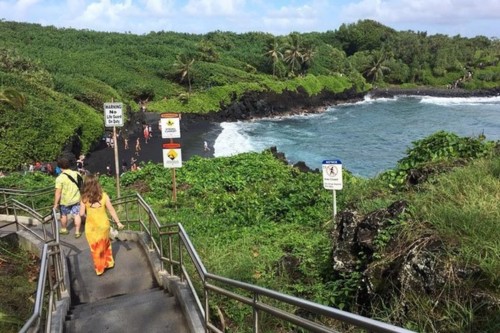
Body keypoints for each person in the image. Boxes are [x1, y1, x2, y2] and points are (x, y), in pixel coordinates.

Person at [79, 174, 124, 276]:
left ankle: (100, 268)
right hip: (104, 224)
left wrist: (88, 217)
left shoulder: (84, 198)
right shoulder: (104, 196)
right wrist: (118, 222)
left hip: (91, 227)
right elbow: (111, 210)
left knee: (95, 247)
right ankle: (108, 263)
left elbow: (81, 213)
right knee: (105, 243)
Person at [53, 157, 82, 237]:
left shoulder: (60, 178)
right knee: (76, 215)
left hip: (65, 201)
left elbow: (58, 192)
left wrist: (55, 204)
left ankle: (64, 229)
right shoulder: (77, 174)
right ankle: (77, 232)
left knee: (64, 215)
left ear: (59, 167)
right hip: (76, 199)